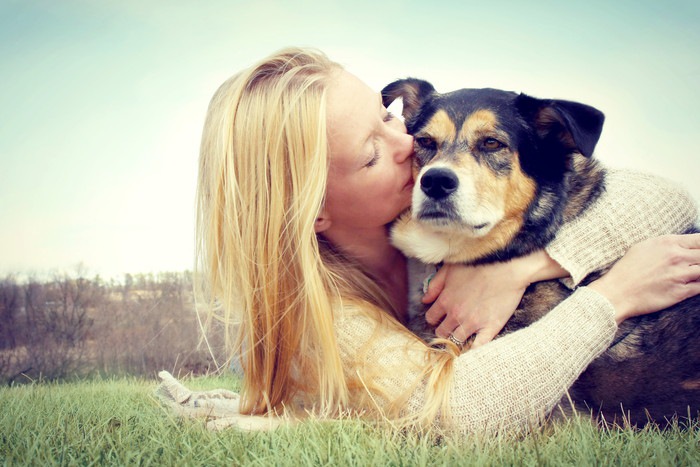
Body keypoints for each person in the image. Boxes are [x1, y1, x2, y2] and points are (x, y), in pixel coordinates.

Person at [159, 47, 700, 436]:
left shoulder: (447, 233)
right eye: (372, 153)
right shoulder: (326, 313)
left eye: (390, 120)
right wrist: (612, 298)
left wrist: (522, 268)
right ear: (312, 209)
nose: (415, 152)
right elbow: (454, 411)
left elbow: (670, 199)